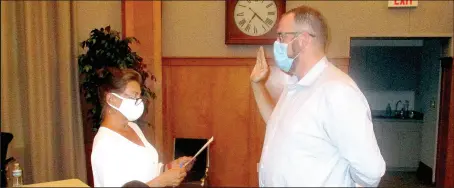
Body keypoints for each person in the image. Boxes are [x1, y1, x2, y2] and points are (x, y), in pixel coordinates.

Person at [250, 6, 386, 187]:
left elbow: (370, 172)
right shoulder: (296, 85)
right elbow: (278, 125)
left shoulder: (336, 91)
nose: (277, 43)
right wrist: (257, 85)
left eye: (282, 36)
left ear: (303, 40)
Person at [91, 68, 195, 187]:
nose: (139, 102)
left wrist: (170, 168)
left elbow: (147, 170)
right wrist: (161, 182)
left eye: (139, 97)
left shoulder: (133, 127)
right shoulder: (104, 143)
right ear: (111, 99)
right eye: (133, 97)